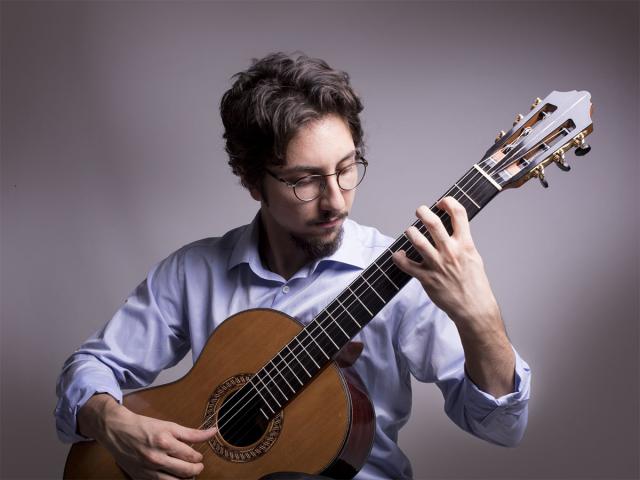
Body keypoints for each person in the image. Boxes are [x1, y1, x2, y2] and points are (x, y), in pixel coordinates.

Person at [55, 52, 530, 479]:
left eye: (347, 169)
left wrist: (479, 314)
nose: (335, 201)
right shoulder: (192, 272)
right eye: (305, 181)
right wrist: (110, 420)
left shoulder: (405, 273)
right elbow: (91, 365)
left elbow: (501, 426)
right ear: (252, 181)